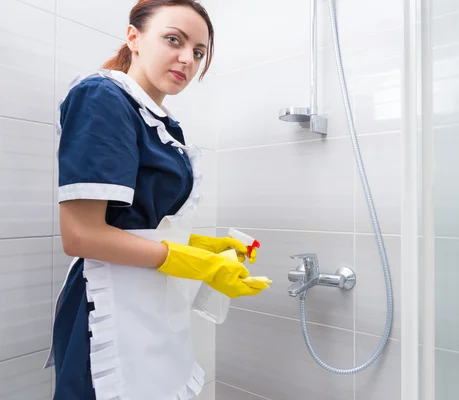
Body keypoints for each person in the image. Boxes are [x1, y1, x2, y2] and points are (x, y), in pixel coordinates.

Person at [44, 1, 265, 399]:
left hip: (150, 303)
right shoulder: (101, 97)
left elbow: (137, 224)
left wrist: (206, 248)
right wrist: (194, 261)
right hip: (108, 304)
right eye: (173, 40)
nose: (187, 59)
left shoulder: (162, 121)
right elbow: (80, 235)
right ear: (134, 37)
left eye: (198, 52)